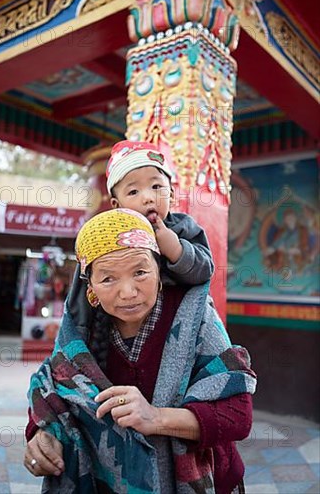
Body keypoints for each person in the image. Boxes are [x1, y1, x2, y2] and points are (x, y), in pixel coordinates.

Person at [24, 209, 256, 494]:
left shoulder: (195, 317)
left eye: (140, 272)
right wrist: (44, 435)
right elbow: (55, 390)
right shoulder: (79, 336)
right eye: (108, 279)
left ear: (159, 273)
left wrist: (156, 417)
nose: (128, 291)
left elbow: (238, 416)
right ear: (91, 288)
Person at [68, 139, 214, 342]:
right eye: (133, 191)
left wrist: (176, 249)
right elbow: (81, 290)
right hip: (118, 329)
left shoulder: (183, 227)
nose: (147, 197)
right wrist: (79, 332)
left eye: (156, 186)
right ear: (116, 204)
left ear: (171, 194)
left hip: (177, 328)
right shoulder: (107, 236)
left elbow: (205, 270)